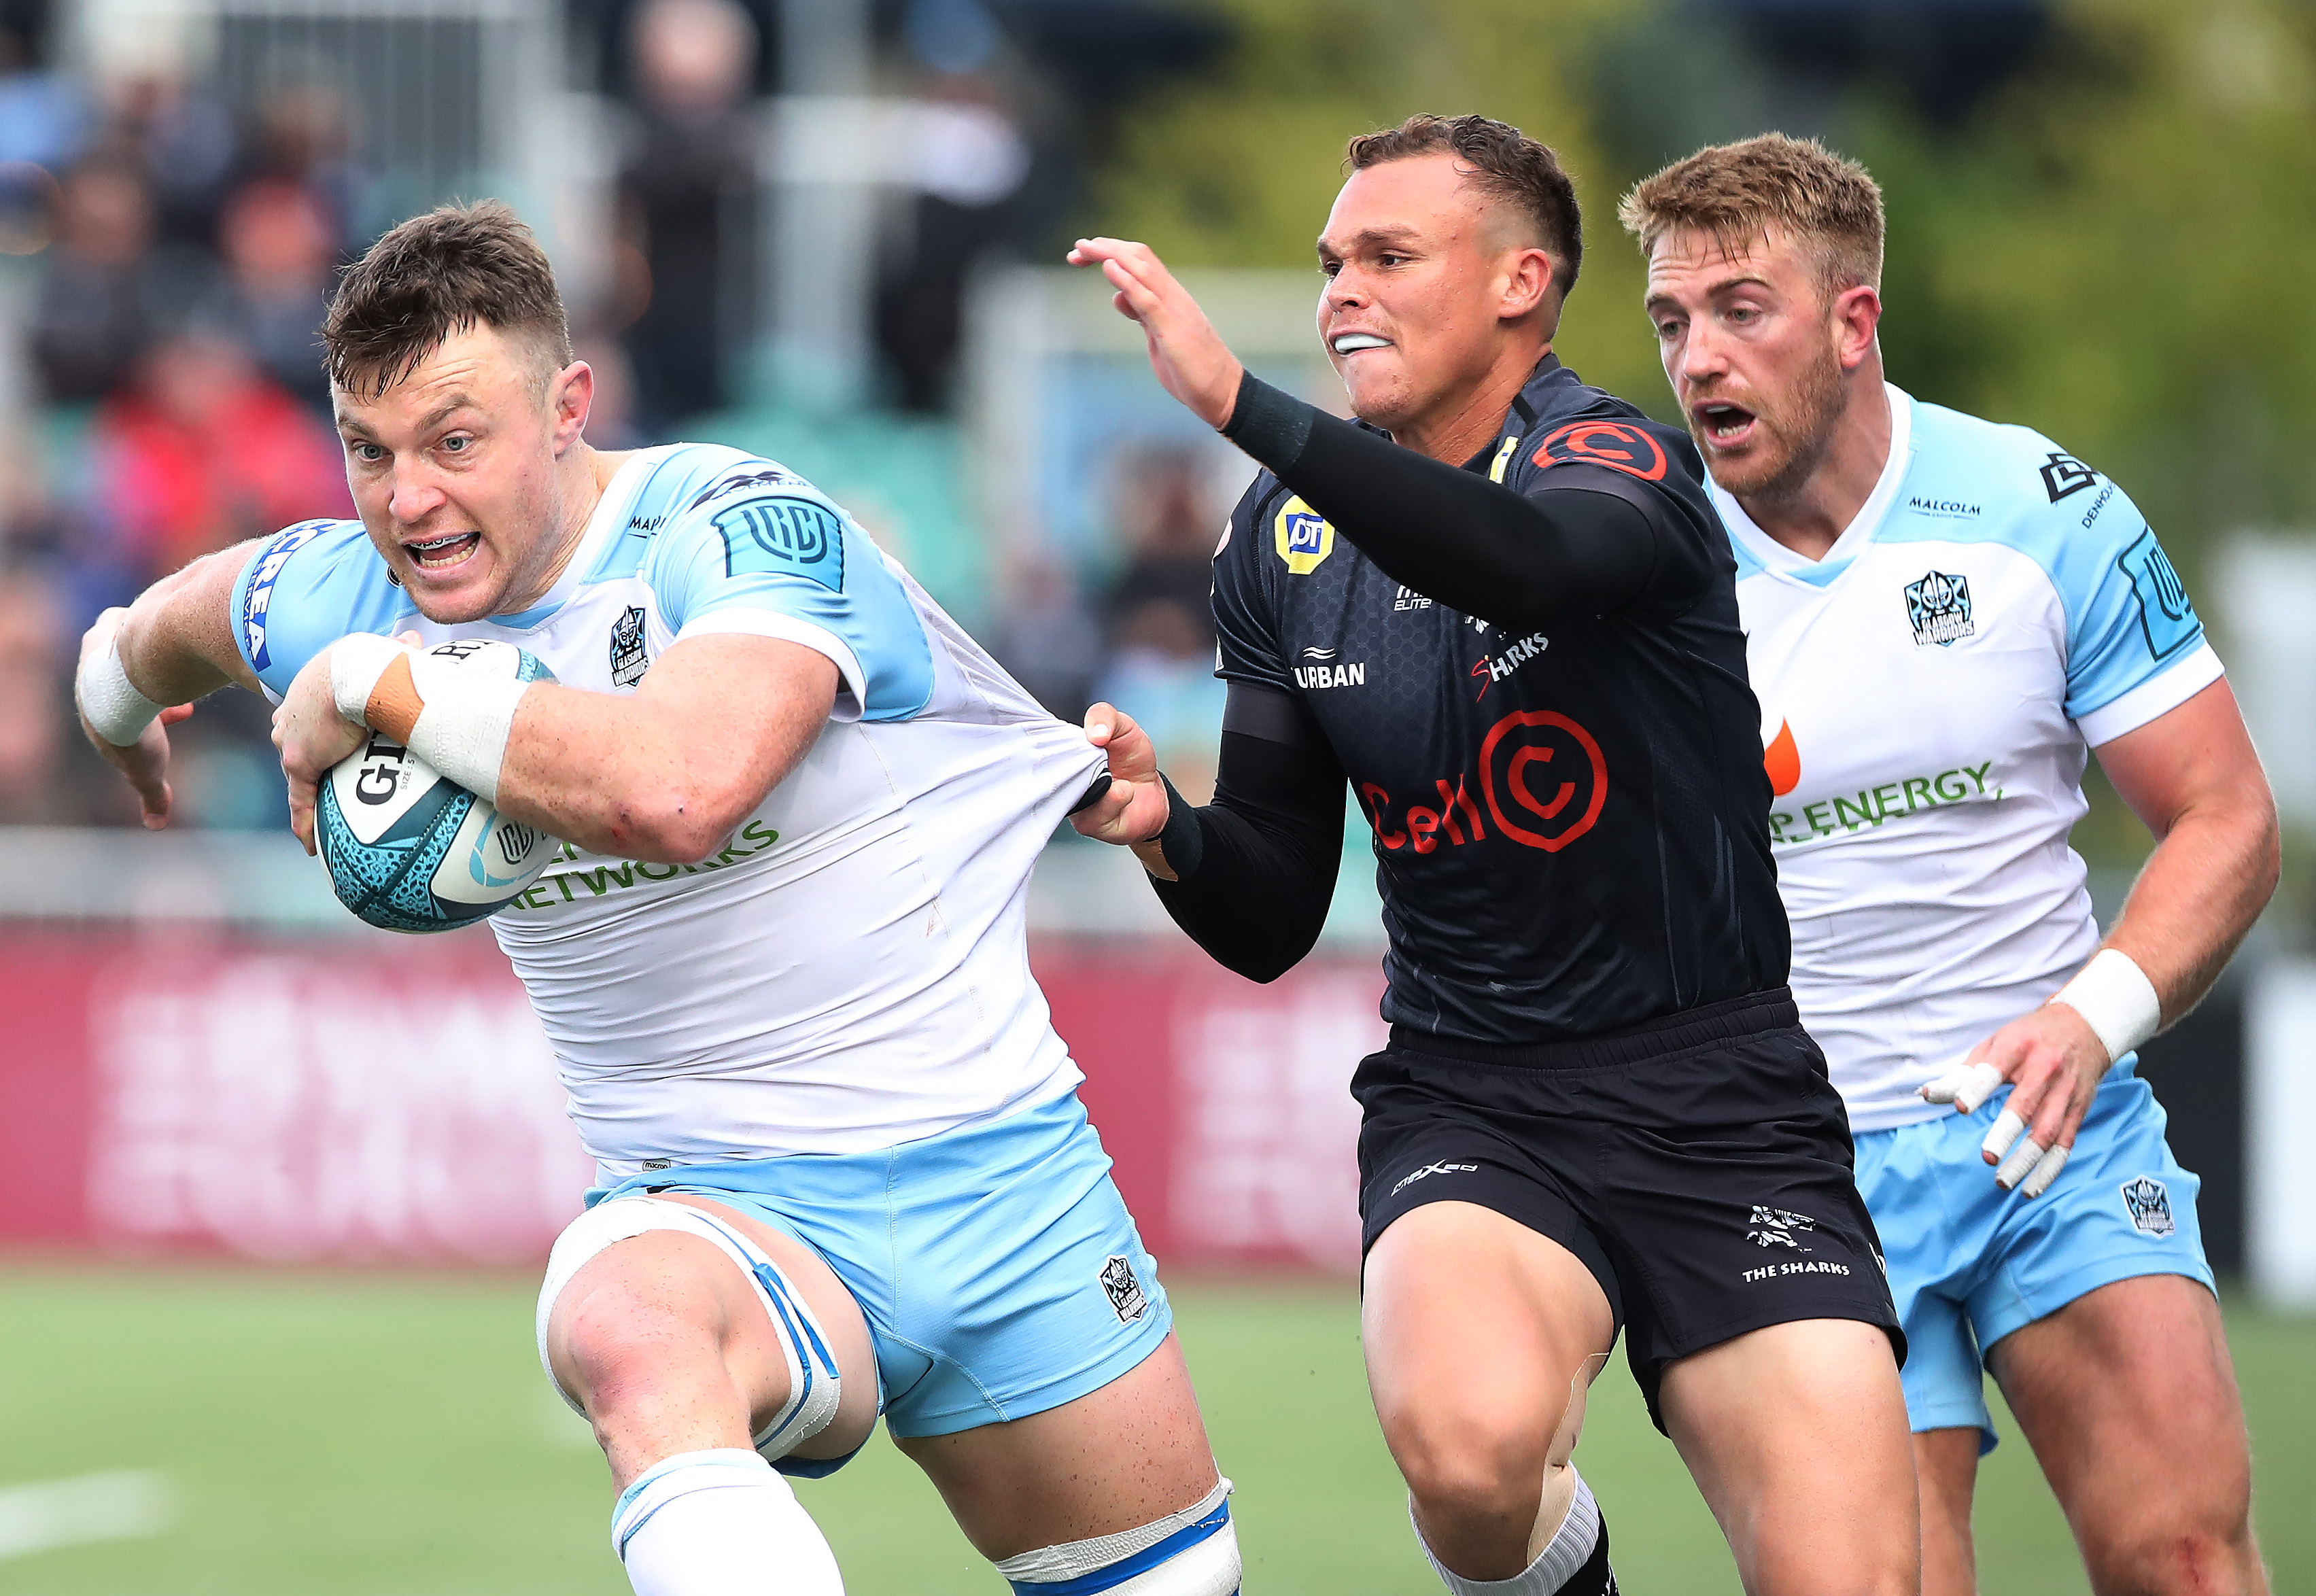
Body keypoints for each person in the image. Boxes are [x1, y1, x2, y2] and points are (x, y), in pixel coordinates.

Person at [73, 201, 1243, 1596]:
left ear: (567, 405)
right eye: (368, 453)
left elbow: (684, 792)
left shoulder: (740, 534)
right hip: (716, 1214)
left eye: (457, 441)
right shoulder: (343, 591)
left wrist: (375, 690)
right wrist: (114, 701)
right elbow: (169, 622)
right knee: (626, 1325)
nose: (407, 501)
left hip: (1003, 1185)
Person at [1069, 113, 1916, 1596]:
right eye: (1333, 262)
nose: (1342, 292)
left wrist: (1238, 403)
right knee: (1470, 1458)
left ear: (1523, 281)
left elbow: (1524, 560)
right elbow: (1272, 910)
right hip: (1476, 1101)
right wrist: (1167, 832)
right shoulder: (1279, 543)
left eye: (1390, 257)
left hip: (1724, 1104)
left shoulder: (1620, 460)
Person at [1621, 133, 2277, 1596]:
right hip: (1792, 1164)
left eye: (1743, 308)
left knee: (2186, 1557)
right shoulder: (1636, 558)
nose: (1699, 358)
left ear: (1855, 320)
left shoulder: (2045, 510)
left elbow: (2227, 818)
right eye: (1672, 321)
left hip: (2054, 1125)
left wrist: (2087, 1020)